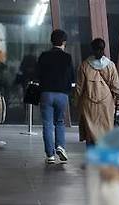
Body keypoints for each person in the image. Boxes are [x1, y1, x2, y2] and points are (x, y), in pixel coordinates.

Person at [76, 38, 119, 150]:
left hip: (89, 104)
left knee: (90, 132)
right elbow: (116, 85)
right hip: (106, 104)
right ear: (104, 49)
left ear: (92, 49)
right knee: (105, 131)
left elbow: (79, 87)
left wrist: (76, 102)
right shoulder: (110, 65)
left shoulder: (85, 65)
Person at [37, 29, 75, 165]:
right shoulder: (67, 57)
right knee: (59, 122)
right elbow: (72, 76)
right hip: (62, 94)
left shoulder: (44, 56)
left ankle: (50, 155)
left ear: (51, 41)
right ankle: (60, 146)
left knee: (47, 124)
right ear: (64, 42)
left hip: (46, 93)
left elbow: (38, 74)